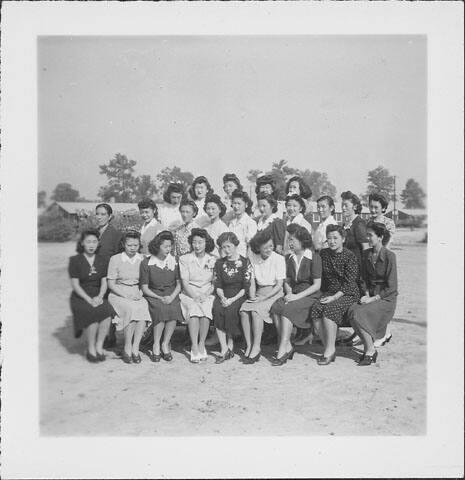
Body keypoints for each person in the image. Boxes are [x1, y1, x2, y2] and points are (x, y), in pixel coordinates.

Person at [271, 224, 322, 365]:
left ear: (303, 240)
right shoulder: (288, 258)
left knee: (287, 310)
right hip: (294, 294)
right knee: (276, 307)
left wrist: (295, 297)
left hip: (310, 295)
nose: (290, 243)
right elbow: (287, 280)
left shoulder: (314, 257)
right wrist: (289, 294)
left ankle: (282, 348)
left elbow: (317, 285)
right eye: (289, 240)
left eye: (293, 240)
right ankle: (287, 346)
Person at [347, 222, 398, 365]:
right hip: (370, 295)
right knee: (352, 311)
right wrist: (365, 294)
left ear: (380, 237)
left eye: (370, 235)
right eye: (367, 235)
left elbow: (392, 287)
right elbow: (363, 279)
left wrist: (373, 298)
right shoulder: (366, 254)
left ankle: (369, 350)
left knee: (359, 314)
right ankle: (369, 347)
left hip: (386, 299)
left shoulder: (389, 256)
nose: (367, 238)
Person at [310, 224, 360, 365]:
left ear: (343, 239)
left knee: (329, 309)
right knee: (316, 308)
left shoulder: (350, 256)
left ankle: (330, 351)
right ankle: (328, 346)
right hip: (330, 291)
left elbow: (350, 283)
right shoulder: (324, 254)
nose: (332, 241)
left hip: (348, 293)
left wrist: (334, 297)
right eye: (329, 238)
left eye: (335, 238)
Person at [68, 229, 116, 362]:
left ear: (98, 243)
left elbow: (104, 281)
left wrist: (100, 296)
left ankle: (99, 346)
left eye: (94, 242)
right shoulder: (75, 260)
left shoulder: (103, 260)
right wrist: (89, 299)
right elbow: (75, 285)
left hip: (98, 294)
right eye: (88, 241)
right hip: (81, 296)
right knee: (92, 314)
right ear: (82, 243)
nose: (91, 245)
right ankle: (91, 349)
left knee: (106, 312)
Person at [240, 229, 286, 364]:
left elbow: (279, 285)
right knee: (243, 310)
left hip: (274, 293)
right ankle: (249, 345)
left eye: (271, 246)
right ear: (258, 247)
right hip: (259, 292)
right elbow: (252, 281)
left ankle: (256, 347)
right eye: (265, 247)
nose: (269, 249)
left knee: (256, 311)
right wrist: (253, 296)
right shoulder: (253, 258)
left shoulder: (279, 259)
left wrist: (263, 299)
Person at [107, 231, 151, 364]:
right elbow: (111, 283)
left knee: (143, 307)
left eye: (136, 245)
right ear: (123, 244)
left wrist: (140, 293)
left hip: (137, 292)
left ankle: (135, 348)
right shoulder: (115, 259)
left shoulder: (143, 259)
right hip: (118, 293)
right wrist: (126, 295)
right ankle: (127, 346)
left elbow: (145, 282)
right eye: (129, 245)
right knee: (130, 309)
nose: (132, 248)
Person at [140, 231, 183, 362]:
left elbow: (179, 284)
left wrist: (172, 296)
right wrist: (159, 298)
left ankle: (165, 343)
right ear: (158, 246)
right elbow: (145, 288)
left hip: (171, 293)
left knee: (173, 308)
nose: (168, 249)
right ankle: (156, 344)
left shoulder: (174, 261)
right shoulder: (147, 263)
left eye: (170, 246)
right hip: (153, 294)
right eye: (165, 246)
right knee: (160, 309)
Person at [212, 232, 252, 363]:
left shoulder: (245, 262)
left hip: (239, 295)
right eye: (223, 247)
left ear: (235, 245)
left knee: (230, 311)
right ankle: (224, 348)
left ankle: (230, 344)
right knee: (217, 309)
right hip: (224, 293)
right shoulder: (219, 263)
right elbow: (217, 284)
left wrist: (231, 300)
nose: (226, 250)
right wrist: (223, 297)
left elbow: (246, 286)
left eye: (229, 246)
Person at [179, 229, 216, 363]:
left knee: (206, 309)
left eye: (200, 242)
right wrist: (195, 296)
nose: (197, 245)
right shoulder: (184, 259)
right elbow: (185, 282)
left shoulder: (212, 259)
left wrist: (205, 295)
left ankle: (201, 343)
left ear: (206, 243)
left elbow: (214, 283)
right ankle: (194, 345)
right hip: (189, 293)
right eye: (194, 242)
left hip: (207, 293)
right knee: (194, 309)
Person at [94, 203, 122, 349]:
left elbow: (118, 257)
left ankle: (110, 336)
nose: (99, 217)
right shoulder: (94, 233)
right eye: (97, 214)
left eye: (103, 214)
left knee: (107, 306)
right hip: (94, 276)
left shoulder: (115, 234)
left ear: (110, 216)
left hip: (109, 275)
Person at [340, 191, 369, 267]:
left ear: (355, 207)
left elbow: (366, 248)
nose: (343, 208)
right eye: (342, 205)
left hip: (357, 267)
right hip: (345, 266)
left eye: (346, 205)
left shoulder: (359, 224)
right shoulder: (344, 225)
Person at [228, 190, 257, 257]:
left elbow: (250, 246)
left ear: (246, 205)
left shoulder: (250, 223)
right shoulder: (231, 223)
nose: (236, 206)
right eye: (234, 203)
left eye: (239, 203)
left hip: (244, 258)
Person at [204, 193, 229, 257]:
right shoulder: (205, 227)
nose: (210, 211)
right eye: (208, 208)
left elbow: (225, 251)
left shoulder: (222, 227)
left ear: (220, 210)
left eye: (213, 209)